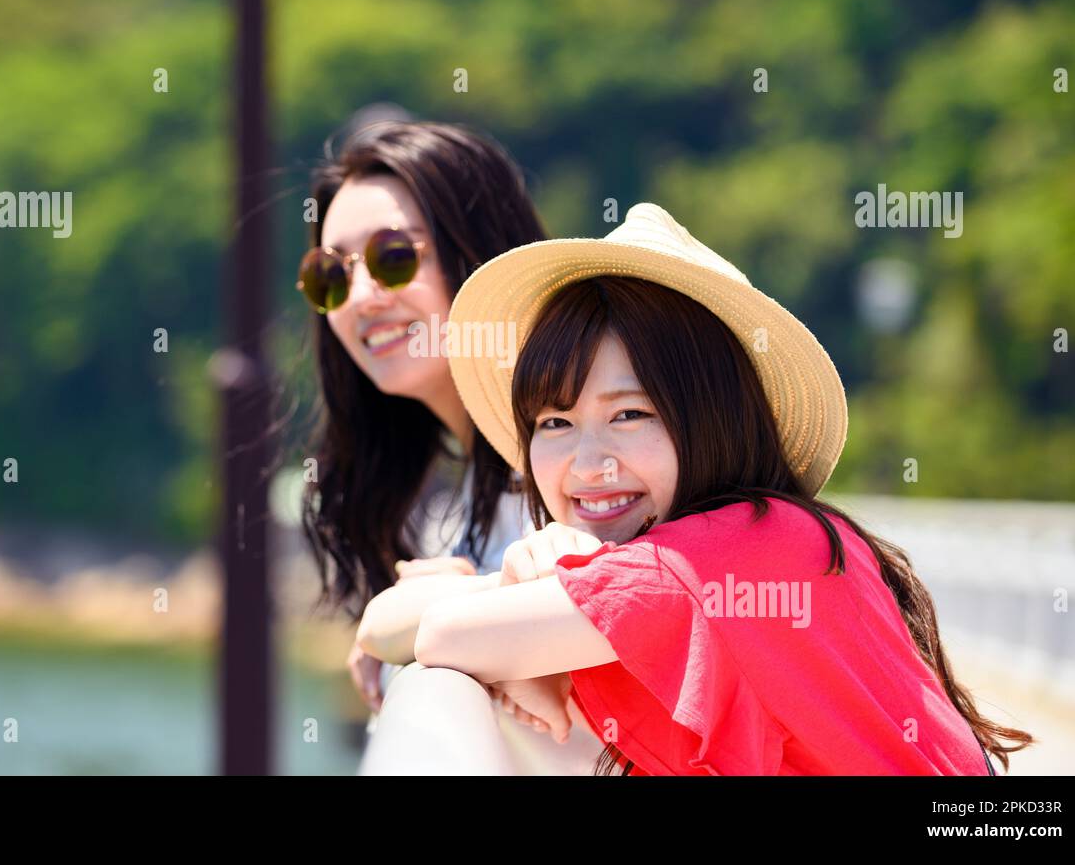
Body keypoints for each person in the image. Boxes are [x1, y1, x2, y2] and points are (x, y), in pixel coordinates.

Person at [411, 202, 1034, 774]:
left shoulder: (728, 554)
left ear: (713, 417)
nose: (588, 461)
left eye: (630, 414)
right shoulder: (774, 537)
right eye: (555, 423)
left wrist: (519, 593)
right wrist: (520, 581)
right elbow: (388, 621)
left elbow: (439, 636)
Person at [295, 119, 542, 711]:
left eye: (395, 256)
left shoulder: (571, 472)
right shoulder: (474, 499)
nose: (361, 297)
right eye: (331, 274)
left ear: (480, 254)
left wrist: (429, 608)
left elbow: (624, 598)